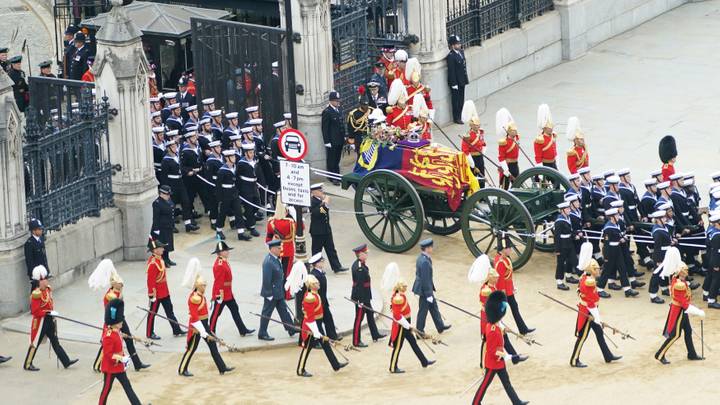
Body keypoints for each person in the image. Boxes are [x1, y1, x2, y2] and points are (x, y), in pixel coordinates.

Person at [89, 261, 150, 373]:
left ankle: (137, 363)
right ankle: (97, 364)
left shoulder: (117, 292)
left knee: (129, 339)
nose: (121, 285)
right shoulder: (111, 295)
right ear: (114, 284)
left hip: (120, 319)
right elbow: (117, 304)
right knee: (106, 344)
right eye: (119, 283)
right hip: (112, 322)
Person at [471, 290, 529, 405]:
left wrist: (503, 330)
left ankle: (516, 402)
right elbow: (492, 351)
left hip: (499, 362)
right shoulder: (492, 330)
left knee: (507, 383)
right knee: (484, 386)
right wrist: (507, 356)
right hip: (493, 364)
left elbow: (498, 332)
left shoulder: (494, 325)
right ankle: (476, 403)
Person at [570, 243, 622, 367]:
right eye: (597, 268)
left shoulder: (584, 278)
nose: (599, 270)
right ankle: (574, 360)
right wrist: (597, 317)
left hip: (589, 309)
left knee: (599, 334)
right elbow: (591, 302)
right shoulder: (589, 282)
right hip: (588, 312)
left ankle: (608, 356)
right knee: (582, 337)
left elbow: (579, 292)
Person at [178, 262, 234, 377]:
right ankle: (182, 369)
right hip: (196, 327)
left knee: (213, 346)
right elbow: (194, 318)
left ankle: (222, 367)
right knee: (191, 348)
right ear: (198, 286)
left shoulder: (200, 296)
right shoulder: (195, 298)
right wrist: (203, 332)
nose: (205, 287)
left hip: (204, 325)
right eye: (203, 285)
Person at [23, 265, 78, 371]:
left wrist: (52, 314)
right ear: (40, 281)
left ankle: (66, 361)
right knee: (35, 343)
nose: (47, 281)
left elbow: (50, 303)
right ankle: (27, 364)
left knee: (55, 341)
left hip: (49, 319)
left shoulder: (48, 289)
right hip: (40, 321)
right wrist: (47, 312)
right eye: (45, 279)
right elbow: (35, 311)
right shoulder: (36, 294)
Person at [654, 251, 704, 364]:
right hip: (679, 311)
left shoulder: (678, 280)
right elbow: (684, 303)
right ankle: (660, 354)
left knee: (688, 331)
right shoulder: (679, 284)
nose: (687, 272)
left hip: (681, 310)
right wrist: (698, 312)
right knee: (675, 335)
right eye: (685, 270)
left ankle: (691, 354)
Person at [296, 275, 348, 377]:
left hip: (317, 324)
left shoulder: (315, 294)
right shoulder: (310, 298)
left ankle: (335, 364)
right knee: (307, 348)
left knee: (326, 344)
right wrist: (317, 333)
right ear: (311, 285)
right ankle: (300, 370)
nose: (318, 284)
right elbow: (310, 318)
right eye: (316, 283)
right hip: (311, 327)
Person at [98, 299, 143, 405]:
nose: (122, 321)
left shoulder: (116, 331)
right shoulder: (108, 336)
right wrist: (122, 358)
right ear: (115, 323)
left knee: (128, 388)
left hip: (119, 367)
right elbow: (108, 355)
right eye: (120, 321)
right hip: (110, 368)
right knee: (106, 390)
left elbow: (120, 337)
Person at [208, 240, 254, 336]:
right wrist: (219, 296)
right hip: (221, 294)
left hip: (228, 293)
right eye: (225, 250)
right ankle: (211, 331)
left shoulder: (224, 261)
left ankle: (242, 330)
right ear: (220, 252)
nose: (228, 252)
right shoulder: (219, 265)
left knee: (235, 309)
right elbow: (219, 282)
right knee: (216, 313)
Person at [389, 280, 434, 373]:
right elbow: (397, 316)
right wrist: (408, 326)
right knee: (398, 347)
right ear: (401, 287)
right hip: (401, 326)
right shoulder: (398, 298)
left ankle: (424, 362)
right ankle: (393, 367)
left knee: (413, 343)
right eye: (405, 286)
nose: (406, 288)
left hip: (406, 323)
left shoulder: (400, 295)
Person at [258, 240, 298, 341]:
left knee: (283, 310)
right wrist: (269, 294)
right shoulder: (268, 262)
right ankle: (262, 333)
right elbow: (266, 279)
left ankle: (291, 328)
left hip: (278, 292)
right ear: (272, 249)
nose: (281, 250)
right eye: (279, 248)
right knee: (267, 313)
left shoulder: (275, 259)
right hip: (271, 293)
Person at [145, 239, 184, 339]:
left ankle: (176, 329)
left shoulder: (159, 259)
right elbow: (151, 281)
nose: (163, 249)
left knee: (170, 311)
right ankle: (149, 333)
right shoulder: (153, 263)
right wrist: (151, 294)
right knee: (152, 313)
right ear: (155, 250)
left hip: (164, 291)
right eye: (160, 248)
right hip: (156, 293)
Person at [495, 235, 534, 335]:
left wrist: (511, 288)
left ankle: (523, 329)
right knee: (501, 311)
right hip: (503, 291)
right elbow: (500, 279)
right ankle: (496, 327)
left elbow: (508, 277)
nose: (510, 249)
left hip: (508, 289)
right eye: (508, 248)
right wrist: (503, 292)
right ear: (503, 249)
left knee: (514, 307)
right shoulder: (500, 261)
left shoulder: (505, 258)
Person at [412, 238, 450, 334]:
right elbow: (425, 280)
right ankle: (419, 331)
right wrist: (429, 294)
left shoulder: (422, 258)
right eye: (431, 247)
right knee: (423, 311)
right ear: (427, 248)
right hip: (424, 290)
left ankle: (440, 326)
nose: (432, 249)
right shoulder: (424, 261)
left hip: (425, 289)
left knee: (433, 307)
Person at [350, 244, 385, 347]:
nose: (367, 254)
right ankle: (356, 341)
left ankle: (375, 334)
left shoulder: (361, 264)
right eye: (365, 253)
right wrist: (360, 301)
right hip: (361, 297)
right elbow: (359, 286)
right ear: (360, 254)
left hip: (365, 296)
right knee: (359, 319)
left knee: (370, 314)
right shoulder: (359, 268)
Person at [161, 139, 199, 233]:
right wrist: (166, 189)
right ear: (169, 149)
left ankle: (188, 224)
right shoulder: (166, 160)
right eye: (173, 147)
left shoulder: (177, 156)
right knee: (171, 205)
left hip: (180, 182)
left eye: (175, 146)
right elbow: (164, 176)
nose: (175, 148)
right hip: (171, 183)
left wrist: (189, 171)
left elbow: (181, 168)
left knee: (185, 202)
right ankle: (171, 225)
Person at [310, 183, 348, 273]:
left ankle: (336, 267)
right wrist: (325, 204)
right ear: (314, 192)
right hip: (318, 231)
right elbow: (318, 212)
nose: (321, 192)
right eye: (319, 191)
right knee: (316, 251)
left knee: (331, 249)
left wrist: (324, 203)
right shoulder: (313, 201)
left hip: (326, 229)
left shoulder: (320, 200)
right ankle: (316, 268)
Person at [265, 195, 297, 300]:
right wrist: (294, 216)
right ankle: (286, 294)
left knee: (277, 273)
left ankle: (276, 291)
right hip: (287, 249)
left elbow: (268, 239)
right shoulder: (290, 222)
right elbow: (301, 229)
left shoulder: (271, 222)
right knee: (287, 272)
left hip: (276, 249)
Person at [214, 149, 250, 241]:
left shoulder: (234, 167)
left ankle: (240, 232)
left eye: (234, 156)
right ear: (227, 158)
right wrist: (220, 198)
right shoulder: (222, 171)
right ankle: (218, 230)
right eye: (232, 157)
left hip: (234, 192)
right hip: (225, 193)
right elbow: (218, 186)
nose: (234, 158)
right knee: (223, 212)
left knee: (238, 211)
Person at [309, 253, 339, 340]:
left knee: (328, 319)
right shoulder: (314, 275)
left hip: (323, 301)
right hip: (318, 302)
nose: (323, 262)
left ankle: (332, 336)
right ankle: (321, 339)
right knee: (319, 322)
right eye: (321, 261)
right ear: (317, 264)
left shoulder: (320, 273)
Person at [236, 142, 261, 238]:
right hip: (245, 187)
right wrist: (239, 189)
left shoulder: (254, 161)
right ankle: (251, 227)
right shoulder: (242, 163)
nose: (252, 154)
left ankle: (246, 217)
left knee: (257, 204)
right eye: (249, 152)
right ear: (245, 153)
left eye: (252, 152)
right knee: (249, 207)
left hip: (254, 185)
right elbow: (238, 176)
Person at [321, 91, 345, 185]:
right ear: (331, 101)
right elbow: (324, 128)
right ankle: (332, 177)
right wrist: (327, 141)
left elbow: (341, 125)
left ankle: (337, 175)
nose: (337, 102)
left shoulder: (339, 110)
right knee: (332, 160)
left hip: (339, 140)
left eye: (338, 100)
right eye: (335, 101)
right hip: (332, 140)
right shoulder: (327, 112)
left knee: (337, 159)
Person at [648, 210, 672, 303]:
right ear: (658, 220)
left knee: (665, 272)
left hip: (666, 252)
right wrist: (658, 259)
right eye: (663, 218)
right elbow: (657, 247)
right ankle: (653, 295)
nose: (665, 219)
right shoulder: (657, 231)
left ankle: (664, 288)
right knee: (657, 274)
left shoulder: (663, 227)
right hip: (660, 255)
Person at [460, 100, 486, 187]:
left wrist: (483, 152)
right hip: (472, 158)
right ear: (471, 125)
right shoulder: (468, 135)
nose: (477, 126)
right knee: (474, 178)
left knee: (482, 175)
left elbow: (483, 143)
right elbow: (465, 150)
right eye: (475, 125)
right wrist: (472, 164)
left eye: (478, 125)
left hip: (480, 156)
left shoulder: (480, 132)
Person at [554, 201, 578, 290]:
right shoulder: (559, 221)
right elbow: (556, 237)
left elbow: (570, 231)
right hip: (562, 245)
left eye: (569, 208)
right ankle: (559, 282)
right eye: (567, 209)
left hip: (569, 243)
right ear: (562, 210)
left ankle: (571, 276)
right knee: (561, 264)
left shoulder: (568, 218)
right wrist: (557, 250)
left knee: (574, 260)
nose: (569, 210)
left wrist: (576, 235)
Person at [151, 185, 176, 266]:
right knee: (163, 244)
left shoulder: (168, 200)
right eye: (167, 194)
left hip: (168, 226)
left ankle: (167, 258)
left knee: (168, 243)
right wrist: (156, 229)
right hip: (161, 227)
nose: (169, 196)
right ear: (161, 194)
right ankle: (163, 260)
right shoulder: (157, 203)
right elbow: (156, 218)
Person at [446, 34, 468, 124]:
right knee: (456, 101)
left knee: (461, 99)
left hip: (462, 79)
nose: (459, 45)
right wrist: (454, 83)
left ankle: (460, 114)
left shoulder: (461, 52)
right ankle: (457, 117)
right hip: (456, 82)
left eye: (459, 43)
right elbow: (451, 71)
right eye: (457, 44)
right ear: (452, 45)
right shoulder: (451, 56)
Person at [496, 108, 520, 189]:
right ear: (508, 131)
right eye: (512, 131)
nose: (515, 132)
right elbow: (501, 157)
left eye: (515, 130)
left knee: (517, 183)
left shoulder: (516, 139)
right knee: (505, 185)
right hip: (507, 165)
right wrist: (505, 169)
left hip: (515, 164)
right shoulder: (504, 142)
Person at [24, 218, 49, 290]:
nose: (41, 230)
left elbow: (44, 257)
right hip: (36, 273)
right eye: (39, 229)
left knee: (45, 291)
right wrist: (33, 275)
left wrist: (47, 270)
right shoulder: (29, 244)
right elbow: (29, 261)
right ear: (33, 231)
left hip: (43, 271)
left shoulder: (41, 239)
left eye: (41, 229)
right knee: (35, 291)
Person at [703, 214, 720, 309]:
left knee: (711, 277)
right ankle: (711, 300)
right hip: (716, 260)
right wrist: (716, 264)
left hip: (712, 258)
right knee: (716, 279)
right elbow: (716, 251)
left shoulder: (713, 231)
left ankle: (706, 294)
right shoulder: (717, 235)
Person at [534, 104, 557, 169]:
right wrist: (541, 172)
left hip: (553, 164)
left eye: (551, 127)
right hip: (544, 165)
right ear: (544, 128)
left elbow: (555, 151)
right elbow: (538, 157)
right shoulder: (540, 140)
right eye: (549, 128)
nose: (551, 129)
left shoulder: (553, 136)